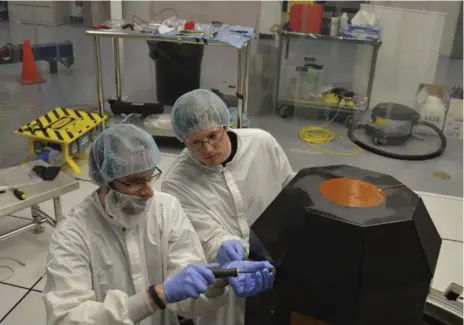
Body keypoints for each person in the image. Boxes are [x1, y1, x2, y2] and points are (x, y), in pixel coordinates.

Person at [42, 123, 275, 325]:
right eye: (135, 182)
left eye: (150, 177)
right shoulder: (72, 235)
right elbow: (66, 318)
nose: (148, 191)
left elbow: (187, 303)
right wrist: (154, 297)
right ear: (105, 181)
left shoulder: (166, 209)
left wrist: (218, 280)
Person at [161, 89, 296, 325]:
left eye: (213, 136)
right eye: (196, 143)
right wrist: (224, 248)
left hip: (277, 261)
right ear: (183, 140)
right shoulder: (176, 182)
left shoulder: (262, 143)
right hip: (227, 280)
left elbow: (289, 192)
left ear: (225, 124)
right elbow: (203, 234)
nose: (208, 149)